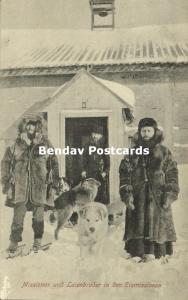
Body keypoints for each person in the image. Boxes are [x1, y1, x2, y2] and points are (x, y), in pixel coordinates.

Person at [119, 117, 179, 262]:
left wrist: (169, 193)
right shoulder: (132, 153)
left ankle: (157, 252)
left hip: (157, 196)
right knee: (137, 222)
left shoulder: (164, 152)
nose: (146, 133)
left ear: (154, 132)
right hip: (138, 194)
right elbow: (124, 173)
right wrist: (127, 193)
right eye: (143, 131)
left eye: (149, 130)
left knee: (157, 223)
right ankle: (137, 252)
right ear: (139, 132)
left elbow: (172, 174)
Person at [1, 114, 59, 253]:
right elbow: (5, 162)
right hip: (20, 187)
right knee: (18, 217)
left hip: (39, 186)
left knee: (38, 216)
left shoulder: (45, 144)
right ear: (24, 126)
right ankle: (13, 243)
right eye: (28, 124)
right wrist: (6, 179)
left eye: (34, 124)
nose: (31, 127)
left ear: (38, 126)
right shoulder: (17, 143)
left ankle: (37, 241)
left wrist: (54, 181)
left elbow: (54, 162)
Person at [81, 124, 110, 205]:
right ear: (92, 135)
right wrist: (83, 170)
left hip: (100, 175)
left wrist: (105, 172)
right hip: (89, 173)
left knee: (100, 195)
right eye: (94, 134)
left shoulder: (104, 147)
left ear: (101, 136)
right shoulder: (87, 146)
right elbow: (83, 159)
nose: (95, 136)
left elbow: (108, 163)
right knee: (89, 195)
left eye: (98, 134)